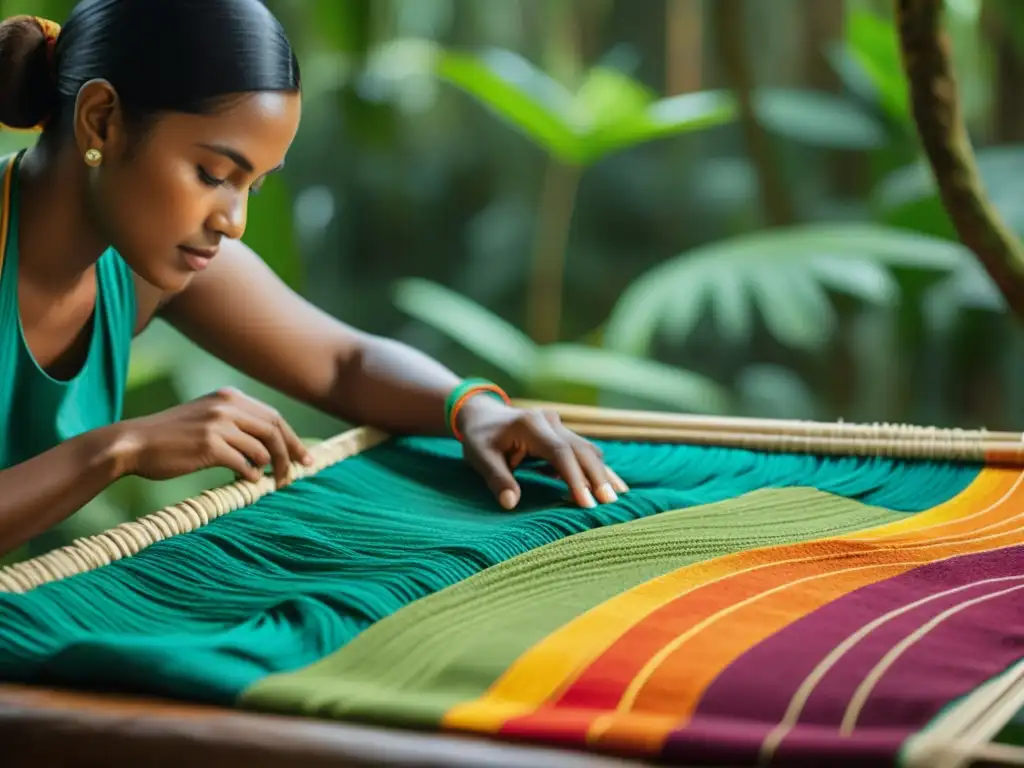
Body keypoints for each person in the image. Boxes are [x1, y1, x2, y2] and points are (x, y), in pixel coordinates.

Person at [0, 0, 628, 557]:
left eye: (254, 185)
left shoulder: (140, 267)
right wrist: (121, 449)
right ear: (102, 120)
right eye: (214, 173)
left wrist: (475, 412)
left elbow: (342, 362)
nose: (236, 222)